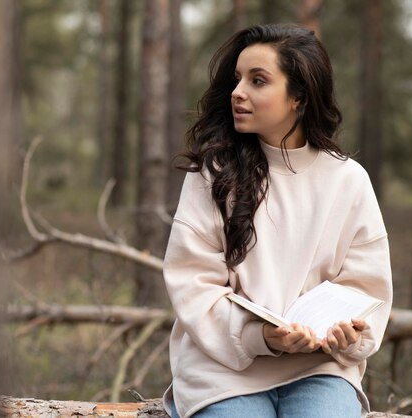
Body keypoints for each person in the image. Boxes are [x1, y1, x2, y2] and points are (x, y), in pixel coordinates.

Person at [162, 24, 392, 418]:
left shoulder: (348, 180)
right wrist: (261, 336)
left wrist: (347, 336)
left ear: (299, 98)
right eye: (238, 79)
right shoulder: (214, 173)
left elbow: (366, 288)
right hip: (224, 368)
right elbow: (192, 284)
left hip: (320, 368)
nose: (238, 93)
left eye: (258, 81)